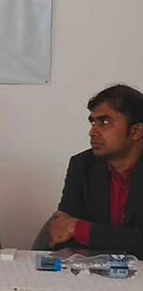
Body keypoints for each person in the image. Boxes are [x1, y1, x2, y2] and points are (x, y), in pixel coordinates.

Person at [47, 84, 143, 257]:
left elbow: (74, 228)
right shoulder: (83, 165)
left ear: (136, 131)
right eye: (93, 122)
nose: (92, 132)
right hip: (94, 271)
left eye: (105, 122)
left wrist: (82, 230)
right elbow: (61, 232)